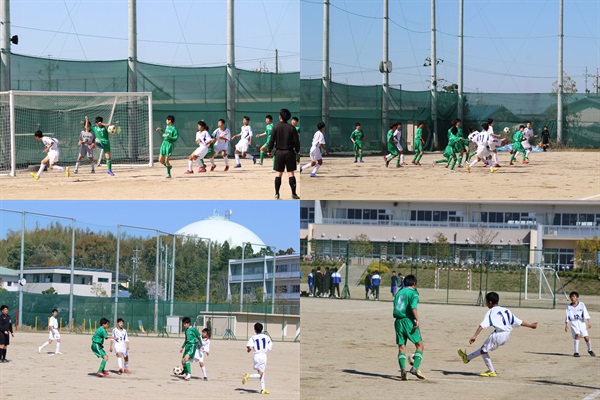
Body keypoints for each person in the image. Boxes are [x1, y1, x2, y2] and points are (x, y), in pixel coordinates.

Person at [458, 291, 538, 377]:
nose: (486, 304)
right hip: (507, 335)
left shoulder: (491, 312)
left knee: (484, 350)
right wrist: (530, 325)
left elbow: (483, 325)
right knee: (484, 349)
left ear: (490, 302)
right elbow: (519, 321)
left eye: (486, 301)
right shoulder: (506, 310)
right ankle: (467, 358)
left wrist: (475, 336)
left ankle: (491, 371)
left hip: (498, 334)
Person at [393, 274, 425, 380]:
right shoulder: (413, 293)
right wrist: (417, 319)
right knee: (419, 345)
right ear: (414, 283)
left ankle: (403, 369)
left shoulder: (398, 293)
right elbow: (413, 307)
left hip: (398, 321)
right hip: (408, 321)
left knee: (401, 347)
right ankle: (415, 368)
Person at [267, 108, 301, 200]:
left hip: (279, 152)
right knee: (291, 173)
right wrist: (297, 150)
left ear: (280, 117)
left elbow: (271, 140)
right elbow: (296, 141)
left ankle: (277, 193)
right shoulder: (292, 128)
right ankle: (293, 193)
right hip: (289, 152)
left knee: (278, 174)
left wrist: (269, 150)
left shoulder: (276, 127)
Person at [242, 322, 273, 395]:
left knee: (261, 372)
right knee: (260, 373)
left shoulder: (253, 337)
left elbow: (248, 345)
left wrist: (249, 349)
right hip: (263, 356)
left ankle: (263, 389)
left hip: (256, 356)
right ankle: (249, 376)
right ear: (262, 329)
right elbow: (270, 346)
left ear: (255, 330)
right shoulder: (266, 337)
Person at [565, 291, 595, 357]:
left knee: (586, 337)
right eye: (571, 297)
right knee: (577, 335)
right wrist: (567, 324)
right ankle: (576, 352)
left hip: (581, 322)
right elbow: (567, 316)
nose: (572, 298)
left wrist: (589, 322)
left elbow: (586, 313)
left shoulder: (581, 304)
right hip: (574, 323)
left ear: (577, 298)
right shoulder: (569, 307)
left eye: (573, 296)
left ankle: (590, 350)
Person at [179, 316, 201, 380]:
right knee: (183, 361)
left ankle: (189, 374)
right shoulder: (186, 331)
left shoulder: (193, 329)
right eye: (183, 324)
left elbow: (199, 336)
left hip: (192, 346)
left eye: (185, 324)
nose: (184, 325)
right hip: (187, 346)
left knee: (186, 358)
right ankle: (186, 374)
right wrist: (182, 347)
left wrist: (201, 344)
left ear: (188, 323)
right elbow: (186, 340)